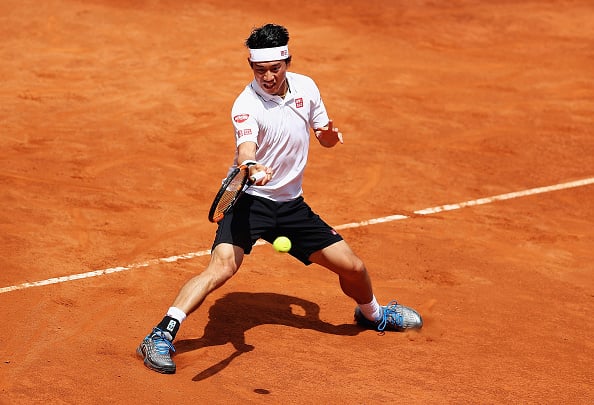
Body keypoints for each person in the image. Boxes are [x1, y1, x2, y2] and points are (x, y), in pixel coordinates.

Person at [137, 23, 423, 374]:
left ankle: (373, 315)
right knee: (222, 267)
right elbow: (246, 148)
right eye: (260, 71)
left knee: (354, 268)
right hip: (249, 202)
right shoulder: (246, 104)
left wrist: (330, 134)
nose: (268, 77)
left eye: (275, 68)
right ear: (251, 67)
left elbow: (325, 138)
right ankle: (160, 335)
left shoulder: (307, 87)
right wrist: (252, 166)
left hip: (291, 207)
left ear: (287, 61)